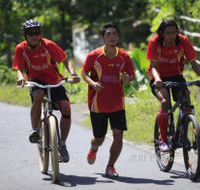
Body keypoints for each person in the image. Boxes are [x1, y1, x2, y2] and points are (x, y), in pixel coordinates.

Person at [13, 19, 80, 162]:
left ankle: (62, 145)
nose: (34, 36)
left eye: (37, 33)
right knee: (38, 94)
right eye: (30, 33)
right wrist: (20, 78)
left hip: (54, 81)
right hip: (35, 81)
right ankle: (35, 130)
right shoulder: (20, 48)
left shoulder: (48, 45)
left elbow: (66, 60)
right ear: (25, 35)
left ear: (40, 34)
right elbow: (19, 68)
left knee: (67, 109)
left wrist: (73, 74)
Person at [147, 19, 200, 152]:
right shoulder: (154, 42)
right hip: (158, 77)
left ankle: (183, 133)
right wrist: (158, 79)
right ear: (161, 34)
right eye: (168, 33)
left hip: (177, 76)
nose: (171, 36)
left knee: (186, 101)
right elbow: (154, 67)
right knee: (165, 101)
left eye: (174, 33)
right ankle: (164, 141)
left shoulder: (183, 41)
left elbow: (194, 63)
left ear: (177, 32)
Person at [81, 23, 135, 177]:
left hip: (118, 103)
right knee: (99, 138)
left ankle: (110, 166)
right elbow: (84, 73)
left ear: (118, 37)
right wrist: (92, 83)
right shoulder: (94, 56)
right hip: (98, 104)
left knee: (119, 136)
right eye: (108, 34)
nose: (112, 37)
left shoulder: (124, 56)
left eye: (114, 34)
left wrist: (127, 79)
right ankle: (94, 147)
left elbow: (131, 76)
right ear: (103, 38)